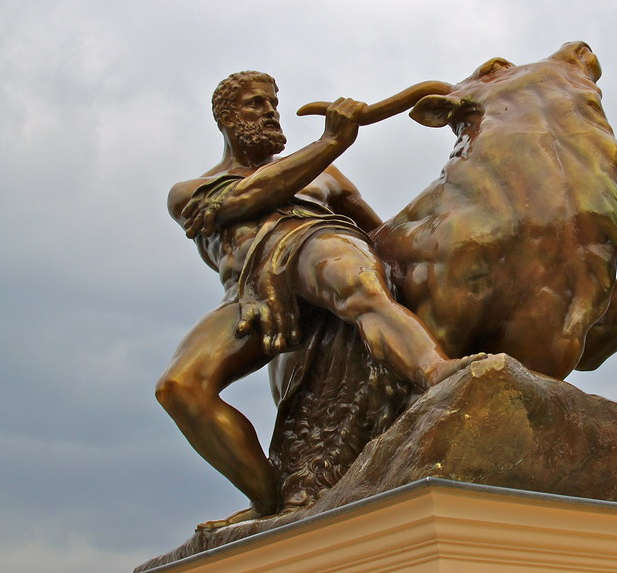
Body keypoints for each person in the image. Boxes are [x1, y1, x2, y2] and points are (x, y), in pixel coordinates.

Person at [156, 71, 481, 527]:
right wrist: (333, 140)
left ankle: (440, 374)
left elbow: (383, 235)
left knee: (354, 282)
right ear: (226, 118)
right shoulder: (192, 190)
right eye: (256, 104)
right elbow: (247, 199)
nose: (270, 111)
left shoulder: (326, 177)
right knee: (179, 388)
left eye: (273, 102)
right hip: (252, 292)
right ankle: (270, 502)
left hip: (316, 240)